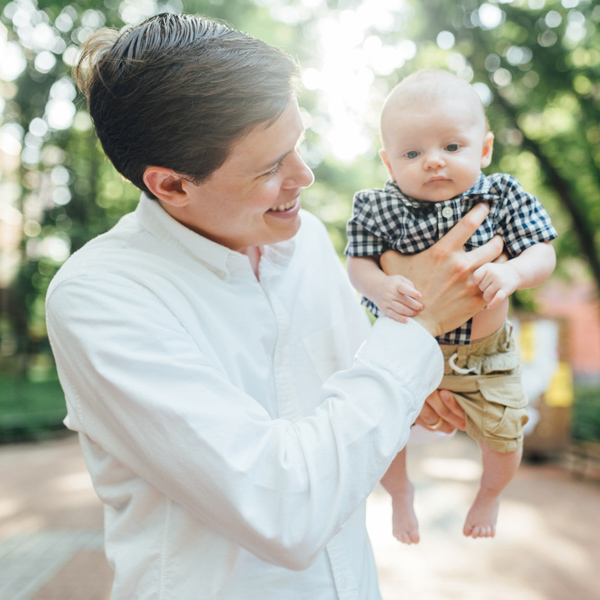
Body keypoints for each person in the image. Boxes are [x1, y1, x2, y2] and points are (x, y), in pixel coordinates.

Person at [46, 16, 503, 599]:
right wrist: (418, 333)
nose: (304, 177)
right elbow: (283, 508)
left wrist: (423, 397)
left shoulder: (305, 239)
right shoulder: (101, 296)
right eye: (270, 168)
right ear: (171, 186)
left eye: (298, 143)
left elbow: (353, 402)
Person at [345, 69, 557, 544]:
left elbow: (543, 251)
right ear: (389, 161)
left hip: (485, 357)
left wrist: (513, 273)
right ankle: (400, 494)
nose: (433, 162)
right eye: (413, 153)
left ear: (483, 148)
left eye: (452, 147)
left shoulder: (501, 196)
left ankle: (490, 493)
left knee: (505, 436)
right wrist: (379, 287)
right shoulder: (380, 207)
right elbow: (357, 264)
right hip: (404, 346)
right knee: (385, 435)